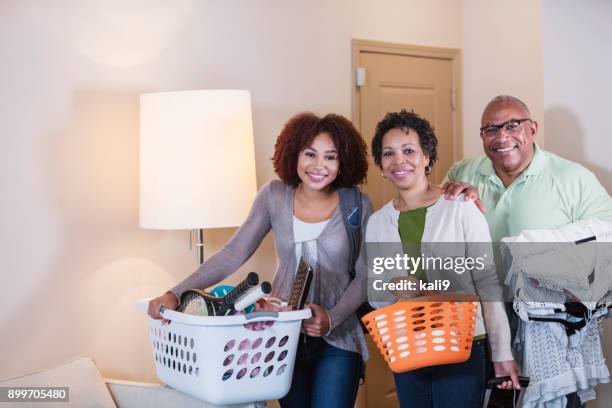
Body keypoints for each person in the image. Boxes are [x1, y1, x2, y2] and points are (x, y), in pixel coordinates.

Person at [147, 112, 372, 408]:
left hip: (339, 337)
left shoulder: (357, 203)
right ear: (294, 154)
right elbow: (233, 253)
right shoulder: (274, 196)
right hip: (281, 336)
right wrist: (174, 293)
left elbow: (365, 273)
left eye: (330, 157)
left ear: (343, 161)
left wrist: (331, 318)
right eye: (310, 154)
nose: (320, 166)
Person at [443, 95, 612, 407]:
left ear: (532, 129)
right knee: (490, 401)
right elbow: (436, 230)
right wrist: (447, 195)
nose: (502, 137)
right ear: (481, 136)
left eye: (512, 125)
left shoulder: (572, 179)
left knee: (557, 400)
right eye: (491, 129)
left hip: (549, 323)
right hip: (482, 314)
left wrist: (537, 250)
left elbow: (606, 236)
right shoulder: (462, 173)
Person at [365, 110, 519, 408]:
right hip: (407, 347)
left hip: (462, 345)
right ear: (381, 165)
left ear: (427, 157)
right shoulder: (377, 222)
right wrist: (395, 286)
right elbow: (375, 292)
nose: (399, 161)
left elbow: (486, 282)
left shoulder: (461, 206)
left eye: (409, 150)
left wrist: (502, 353)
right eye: (388, 153)